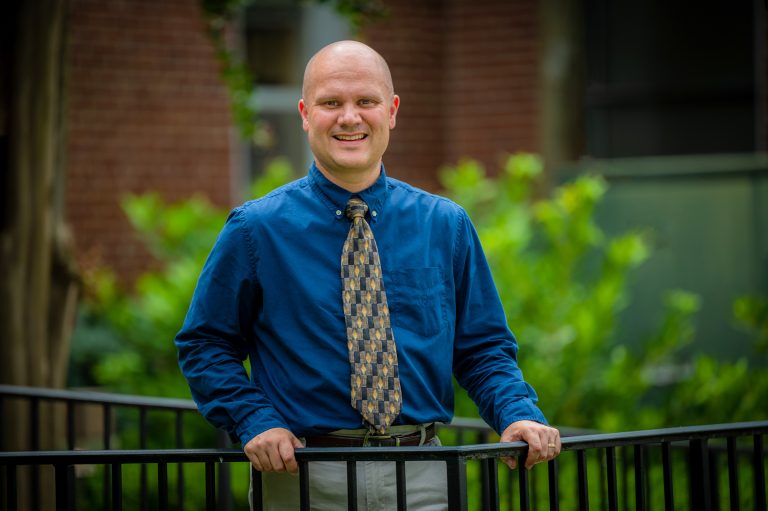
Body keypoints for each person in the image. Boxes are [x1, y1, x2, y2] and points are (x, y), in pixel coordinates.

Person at [175, 40, 560, 510]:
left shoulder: (445, 225)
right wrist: (255, 419)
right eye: (331, 102)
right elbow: (205, 344)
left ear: (392, 110)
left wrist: (516, 413)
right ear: (304, 113)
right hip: (304, 479)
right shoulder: (256, 229)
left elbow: (482, 348)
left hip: (425, 480)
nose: (349, 117)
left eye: (366, 102)